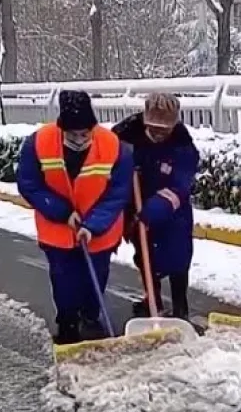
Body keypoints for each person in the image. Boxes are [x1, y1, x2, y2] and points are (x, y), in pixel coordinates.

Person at [16, 89, 133, 344]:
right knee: (64, 281)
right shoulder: (38, 143)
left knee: (95, 280)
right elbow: (29, 184)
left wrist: (92, 224)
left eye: (85, 134)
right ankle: (67, 322)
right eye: (73, 135)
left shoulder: (114, 147)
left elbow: (118, 193)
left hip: (100, 230)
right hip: (57, 229)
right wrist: (62, 212)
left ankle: (91, 319)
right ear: (61, 129)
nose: (80, 140)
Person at [112, 93, 199, 322]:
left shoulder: (182, 143)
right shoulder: (125, 136)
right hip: (136, 206)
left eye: (165, 129)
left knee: (178, 256)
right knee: (146, 257)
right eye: (154, 128)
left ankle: (181, 309)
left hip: (173, 210)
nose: (159, 134)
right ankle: (153, 302)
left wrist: (154, 209)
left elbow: (181, 183)